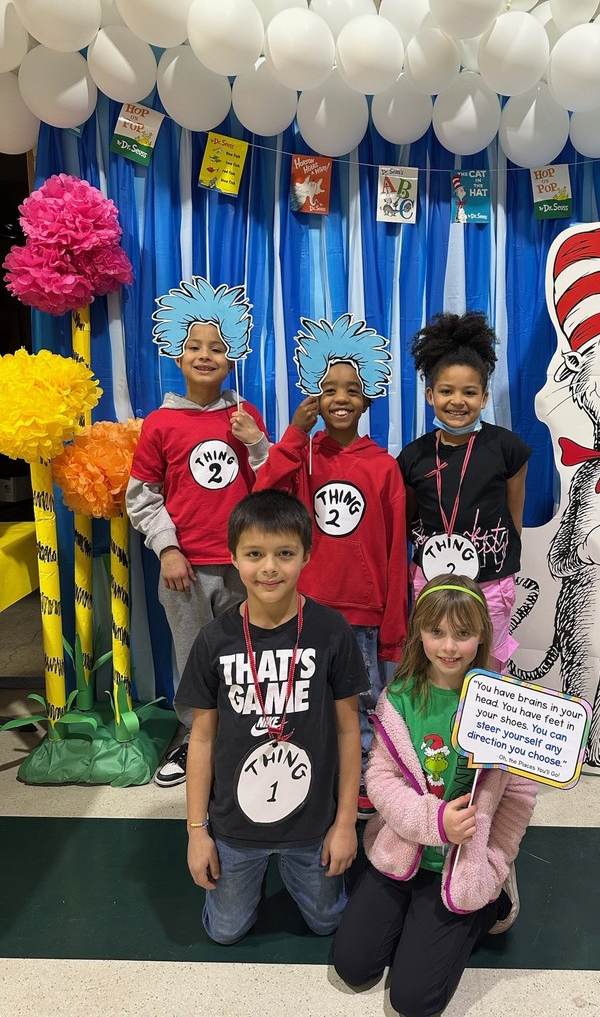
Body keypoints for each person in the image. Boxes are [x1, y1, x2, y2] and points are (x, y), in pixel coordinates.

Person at [333, 575, 537, 1017]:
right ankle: (415, 915)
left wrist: (495, 860)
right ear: (419, 633)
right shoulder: (401, 697)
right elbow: (383, 781)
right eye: (436, 632)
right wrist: (434, 821)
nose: (448, 646)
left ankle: (490, 904)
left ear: (483, 634)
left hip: (465, 860)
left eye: (463, 634)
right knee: (353, 965)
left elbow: (519, 795)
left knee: (413, 1001)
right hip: (404, 849)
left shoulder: (503, 702)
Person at [176, 490, 368, 943]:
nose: (269, 568)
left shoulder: (330, 630)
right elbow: (201, 741)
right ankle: (251, 872)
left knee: (329, 924)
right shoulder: (213, 641)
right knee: (224, 932)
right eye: (254, 554)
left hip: (313, 822)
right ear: (233, 557)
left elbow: (347, 732)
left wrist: (344, 825)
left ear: (306, 555)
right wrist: (196, 832)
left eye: (285, 554)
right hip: (235, 827)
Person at [255, 314, 408, 820]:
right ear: (315, 398)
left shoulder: (383, 466)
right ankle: (312, 775)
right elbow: (265, 497)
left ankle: (364, 779)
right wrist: (295, 436)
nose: (340, 398)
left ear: (368, 399)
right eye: (328, 389)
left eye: (352, 389)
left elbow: (393, 551)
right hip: (309, 606)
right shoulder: (304, 457)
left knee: (362, 700)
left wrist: (392, 623)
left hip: (363, 612)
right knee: (308, 698)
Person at [127, 278, 269, 787]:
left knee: (246, 653)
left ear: (232, 358)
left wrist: (256, 445)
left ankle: (242, 731)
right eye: (193, 346)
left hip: (242, 569)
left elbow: (271, 486)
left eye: (216, 347)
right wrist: (167, 548)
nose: (204, 355)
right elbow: (141, 496)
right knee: (191, 656)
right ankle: (194, 739)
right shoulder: (161, 423)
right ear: (176, 354)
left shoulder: (245, 415)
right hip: (184, 569)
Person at [397, 311, 531, 672]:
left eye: (469, 392)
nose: (458, 401)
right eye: (446, 391)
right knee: (437, 662)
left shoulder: (508, 449)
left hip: (490, 580)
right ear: (429, 394)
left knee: (486, 664)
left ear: (484, 397)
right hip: (431, 582)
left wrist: (499, 557)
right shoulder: (412, 458)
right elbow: (409, 521)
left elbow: (513, 514)